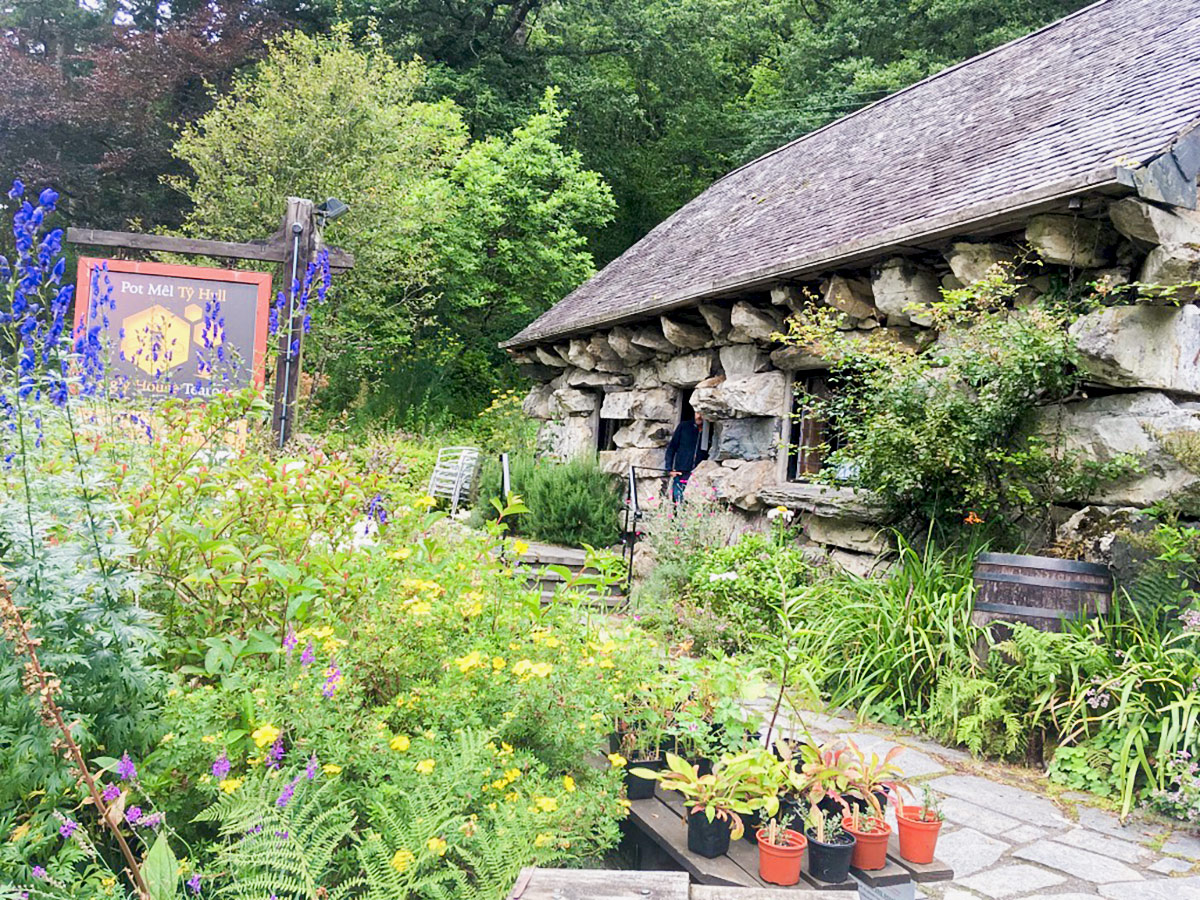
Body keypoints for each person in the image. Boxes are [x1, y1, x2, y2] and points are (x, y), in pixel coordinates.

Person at [665, 410, 707, 503]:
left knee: (694, 503)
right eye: (697, 413)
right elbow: (671, 448)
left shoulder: (709, 431)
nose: (699, 416)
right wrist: (669, 469)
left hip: (699, 474)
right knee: (677, 500)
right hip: (681, 472)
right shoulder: (684, 427)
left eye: (702, 414)